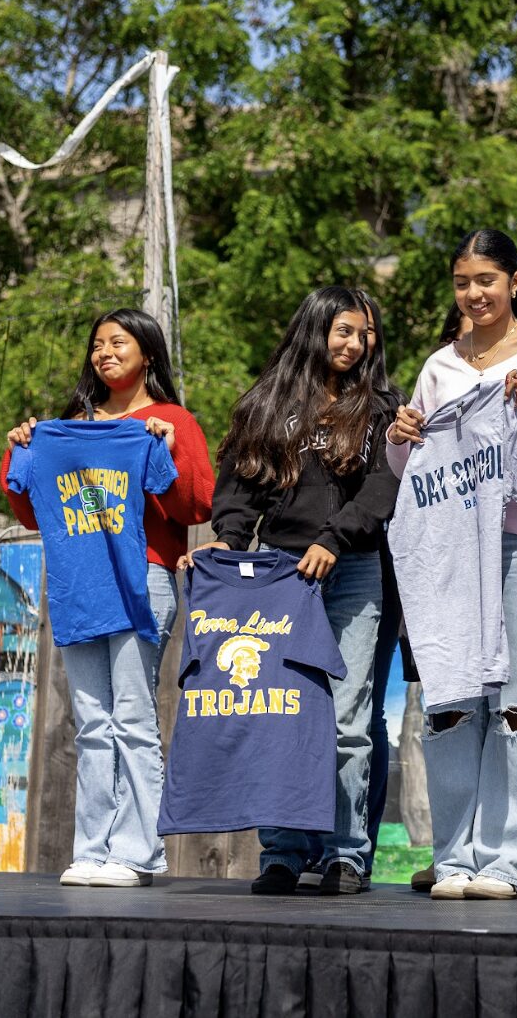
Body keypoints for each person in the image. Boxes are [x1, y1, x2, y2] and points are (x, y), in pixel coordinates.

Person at [386, 228, 517, 900]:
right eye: (462, 282)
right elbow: (411, 470)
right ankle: (455, 858)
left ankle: (511, 861)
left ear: (514, 280)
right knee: (451, 700)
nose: (474, 294)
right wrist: (400, 437)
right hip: (450, 548)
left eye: (486, 281)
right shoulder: (439, 365)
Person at [187, 286, 398, 896]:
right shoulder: (269, 401)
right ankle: (281, 853)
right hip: (277, 576)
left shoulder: (383, 406)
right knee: (279, 717)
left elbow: (384, 487)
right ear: (314, 328)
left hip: (353, 570)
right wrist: (229, 540)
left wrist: (336, 539)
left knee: (349, 721)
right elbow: (237, 488)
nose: (354, 343)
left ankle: (345, 856)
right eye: (342, 330)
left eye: (363, 333)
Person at [1, 309, 213, 888]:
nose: (105, 353)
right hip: (79, 582)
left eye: (118, 342)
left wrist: (164, 452)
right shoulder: (67, 426)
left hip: (144, 578)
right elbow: (28, 509)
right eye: (97, 344)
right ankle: (92, 850)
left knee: (134, 718)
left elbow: (196, 506)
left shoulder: (170, 420)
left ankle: (139, 852)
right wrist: (21, 449)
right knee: (91, 722)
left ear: (148, 352)